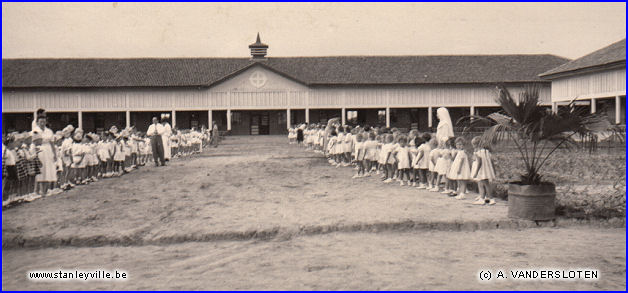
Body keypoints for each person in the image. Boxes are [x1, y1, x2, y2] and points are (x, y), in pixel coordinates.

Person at [32, 114, 58, 196]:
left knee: (48, 169)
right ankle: (37, 190)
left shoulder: (49, 131)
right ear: (37, 122)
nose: (42, 123)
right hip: (39, 150)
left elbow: (52, 143)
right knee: (40, 170)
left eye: (44, 121)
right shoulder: (35, 131)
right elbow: (34, 143)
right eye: (40, 122)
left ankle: (45, 190)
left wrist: (55, 154)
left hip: (48, 150)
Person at [470, 136, 497, 205]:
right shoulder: (487, 152)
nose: (473, 146)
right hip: (487, 171)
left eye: (473, 145)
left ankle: (490, 199)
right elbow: (491, 162)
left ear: (476, 145)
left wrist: (476, 172)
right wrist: (493, 171)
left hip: (482, 171)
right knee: (484, 184)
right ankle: (483, 197)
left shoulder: (477, 153)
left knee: (485, 184)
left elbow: (479, 163)